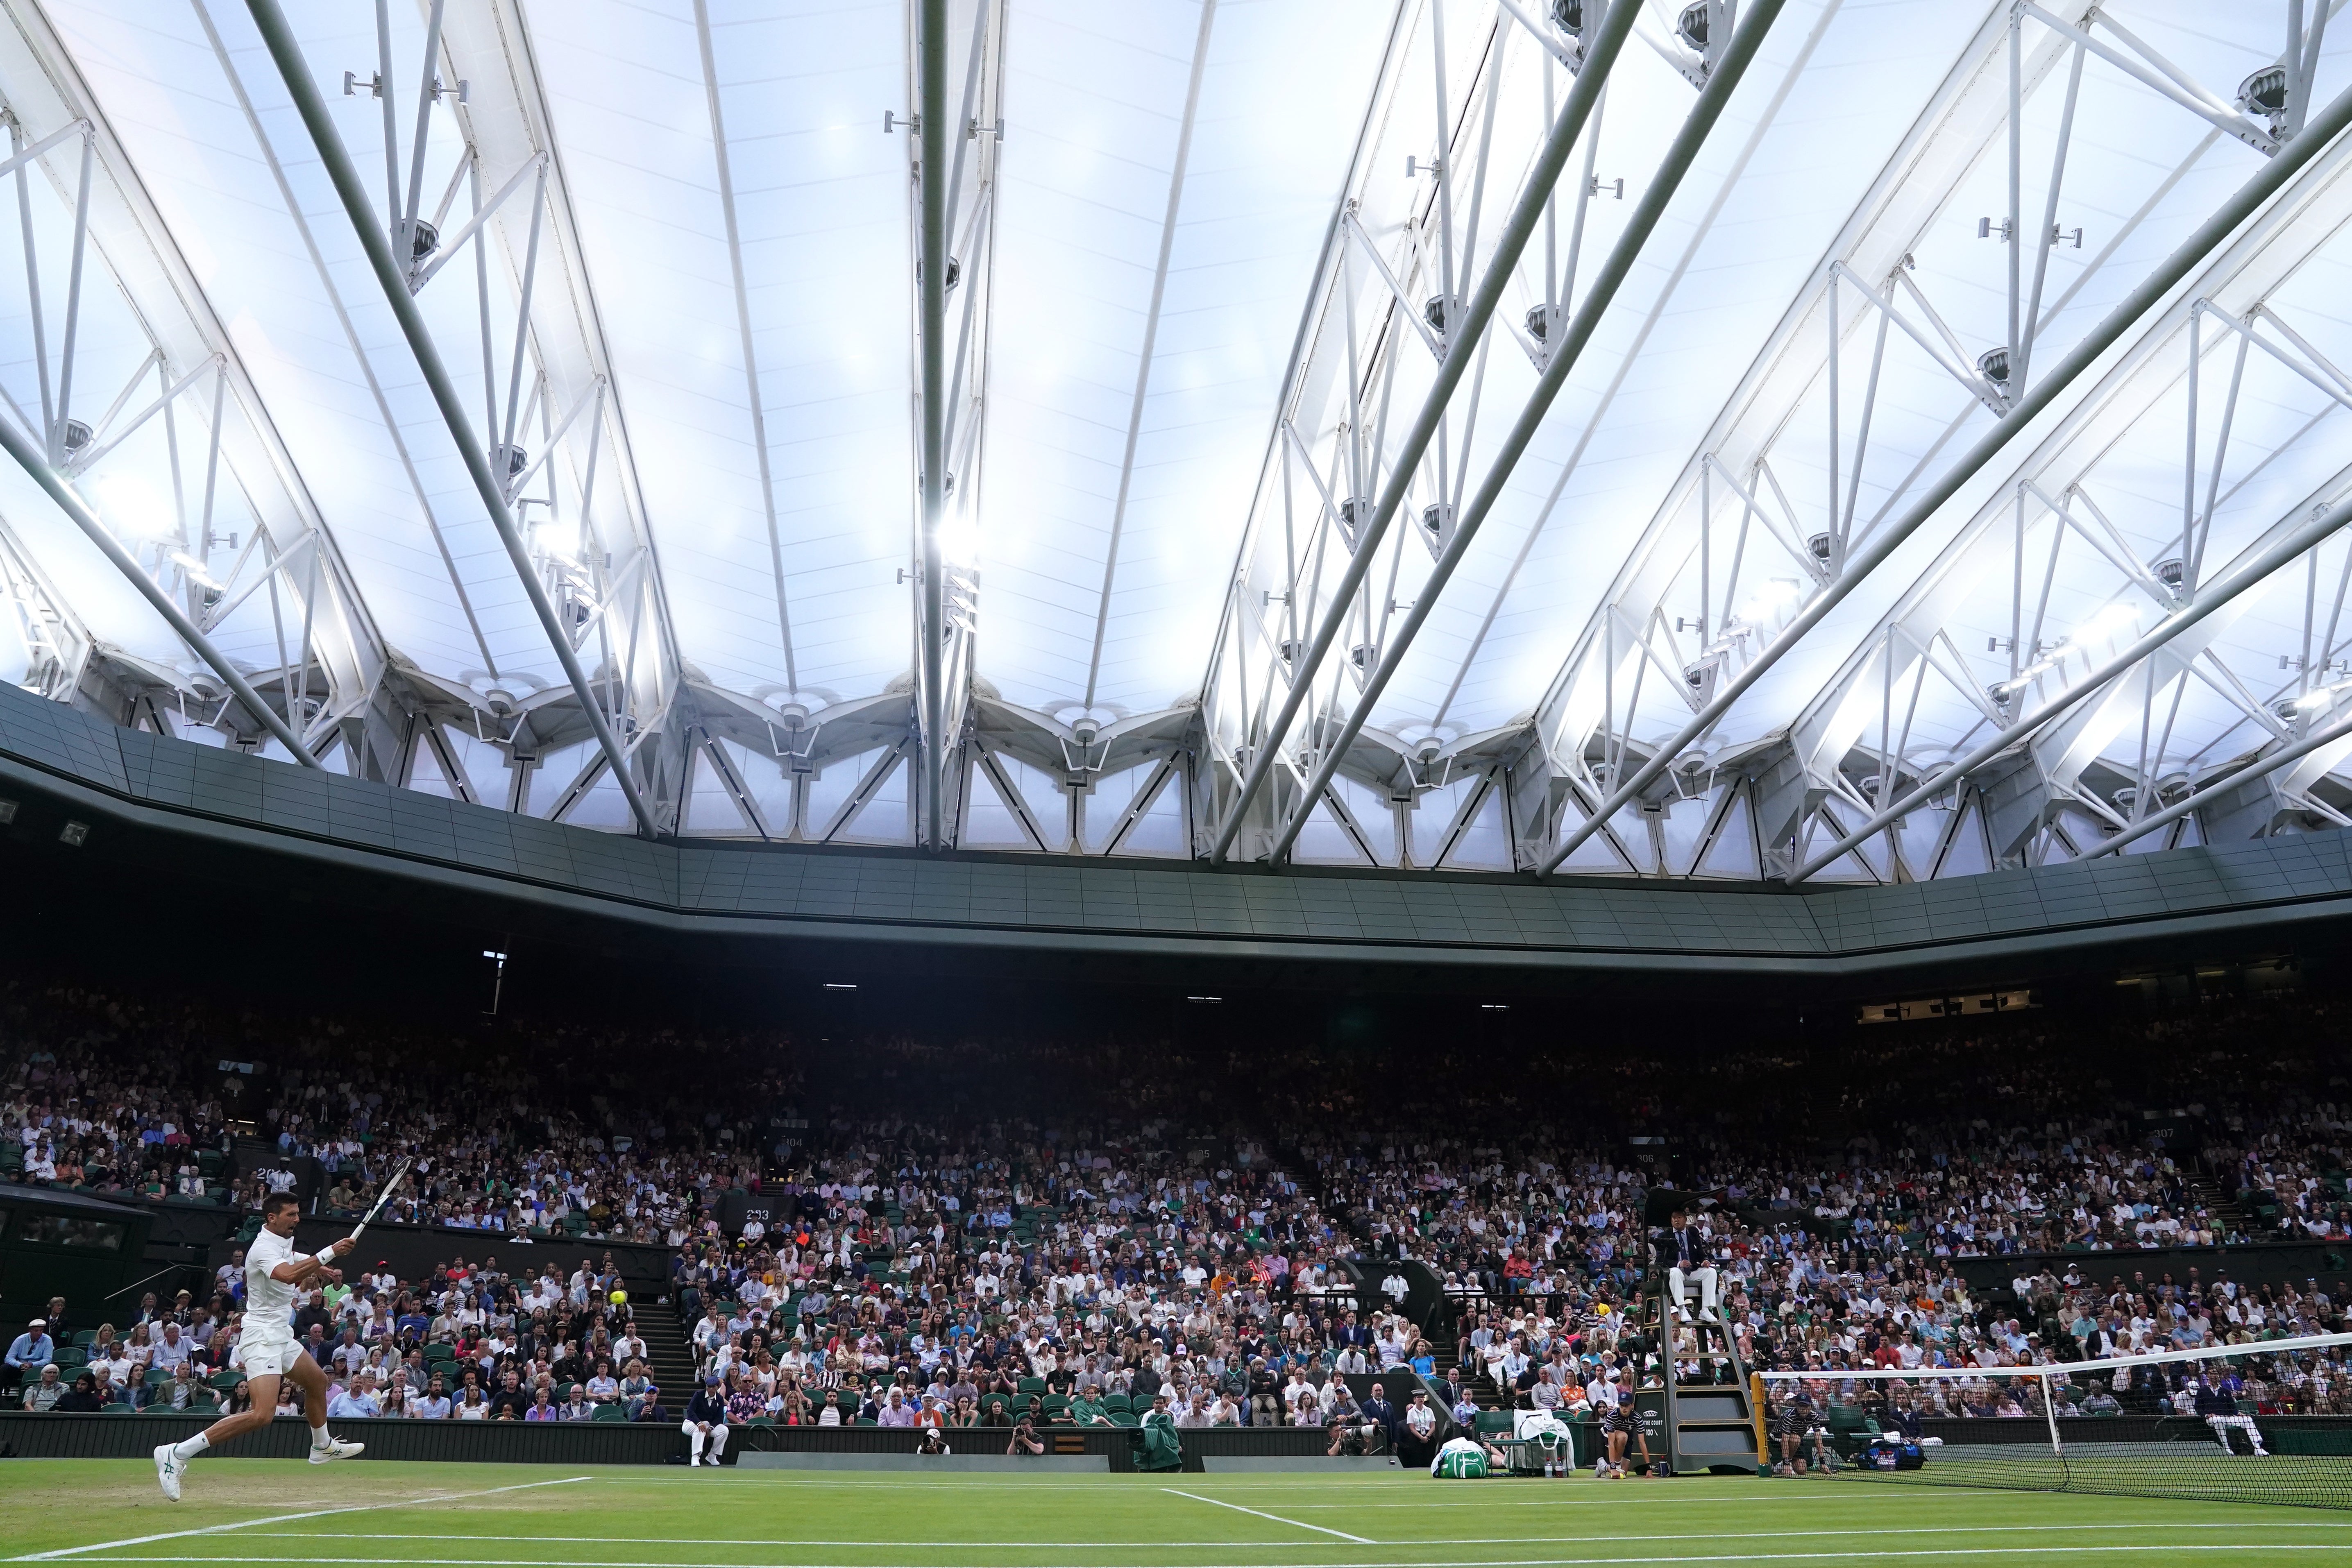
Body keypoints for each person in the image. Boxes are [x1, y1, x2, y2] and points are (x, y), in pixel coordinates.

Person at [154, 1193, 364, 1502]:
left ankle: (322, 1446)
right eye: (291, 1215)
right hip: (262, 1338)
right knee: (262, 1415)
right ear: (272, 1218)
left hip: (280, 1334)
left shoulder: (280, 1240)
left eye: (297, 1213)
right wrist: (329, 1253)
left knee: (318, 1382)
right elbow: (287, 1274)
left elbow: (291, 1260)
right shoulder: (263, 1248)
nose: (297, 1219)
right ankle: (176, 1452)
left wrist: (321, 1266)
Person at [1662, 1210, 1719, 1323]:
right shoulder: (1665, 1236)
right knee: (1675, 1272)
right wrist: (1679, 1264)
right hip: (1676, 1272)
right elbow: (1661, 1260)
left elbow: (1702, 1255)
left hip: (1692, 1271)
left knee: (1711, 1272)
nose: (1676, 1220)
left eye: (1679, 1217)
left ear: (1685, 1219)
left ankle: (1706, 1309)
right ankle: (1682, 1308)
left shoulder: (1693, 1234)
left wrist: (1705, 1261)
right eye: (1674, 1218)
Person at [2194, 1374, 2269, 1456]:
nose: (2215, 1376)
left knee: (2248, 1419)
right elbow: (2198, 1408)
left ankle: (2258, 1448)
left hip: (2228, 1418)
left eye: (2216, 1373)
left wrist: (2238, 1413)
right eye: (2212, 1374)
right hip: (2213, 1418)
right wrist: (2206, 1415)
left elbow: (2232, 1407)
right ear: (2208, 1376)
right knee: (2218, 1420)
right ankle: (2227, 1448)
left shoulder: (2226, 1391)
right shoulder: (2202, 1391)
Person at [4, 1319, 54, 1401]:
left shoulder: (47, 1340)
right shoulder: (21, 1339)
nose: (39, 1333)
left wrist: (32, 1365)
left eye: (41, 1331)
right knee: (4, 1368)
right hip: (20, 1366)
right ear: (30, 1330)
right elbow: (8, 1358)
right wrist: (20, 1365)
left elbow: (48, 1359)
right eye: (36, 1331)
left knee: (47, 1369)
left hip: (37, 1368)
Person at [683, 1375, 728, 1467]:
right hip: (691, 1423)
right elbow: (690, 1411)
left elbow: (719, 1417)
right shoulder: (699, 1395)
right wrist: (699, 1423)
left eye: (713, 1387)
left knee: (724, 1431)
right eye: (709, 1387)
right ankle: (695, 1456)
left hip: (708, 1425)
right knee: (700, 1430)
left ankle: (712, 1456)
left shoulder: (719, 1399)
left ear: (717, 1387)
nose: (711, 1389)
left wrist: (711, 1428)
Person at [1430, 1430, 1508, 1478]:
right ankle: (1504, 1462)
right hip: (1490, 1452)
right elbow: (1488, 1445)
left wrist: (1502, 1434)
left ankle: (1509, 1458)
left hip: (1503, 1450)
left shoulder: (1505, 1430)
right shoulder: (1484, 1431)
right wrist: (1502, 1456)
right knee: (1493, 1457)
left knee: (1508, 1436)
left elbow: (1511, 1431)